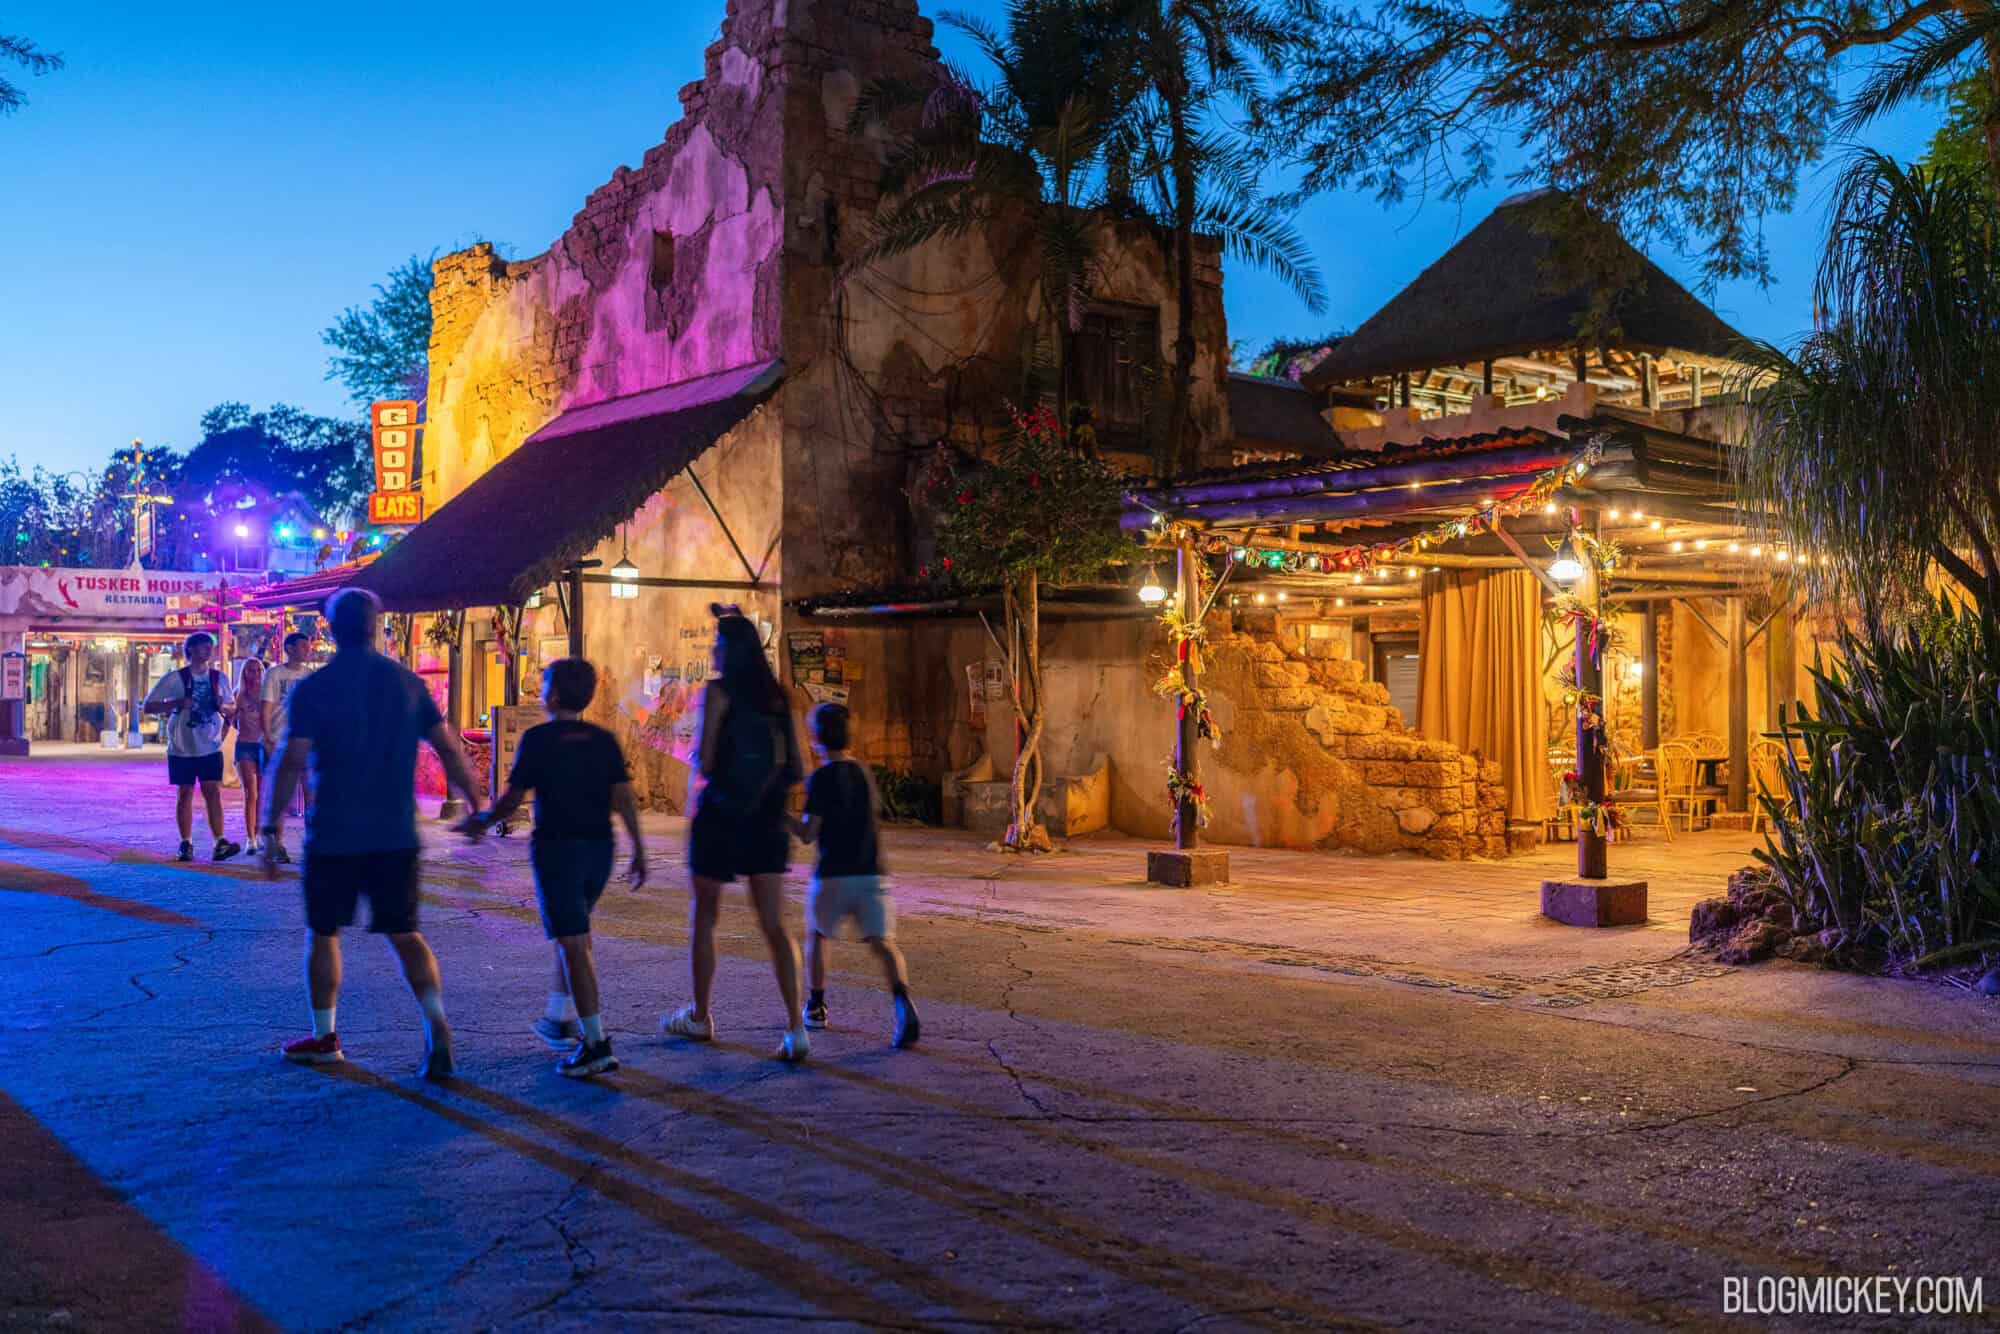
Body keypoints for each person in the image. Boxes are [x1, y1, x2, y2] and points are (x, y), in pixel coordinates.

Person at [260, 589, 484, 1079]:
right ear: (377, 626)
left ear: (332, 630)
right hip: (395, 833)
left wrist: (269, 827)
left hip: (334, 834)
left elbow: (291, 760)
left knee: (323, 933)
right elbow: (448, 750)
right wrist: (477, 804)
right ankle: (436, 1024)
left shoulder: (314, 689)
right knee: (406, 933)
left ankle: (325, 1035)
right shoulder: (407, 684)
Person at [464, 658, 647, 1078]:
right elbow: (623, 797)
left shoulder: (539, 739)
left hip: (558, 851)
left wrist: (481, 822)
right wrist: (638, 849)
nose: (539, 691)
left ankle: (596, 1044)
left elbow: (512, 800)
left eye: (544, 683)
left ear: (554, 694)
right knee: (574, 934)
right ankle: (561, 1015)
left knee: (572, 942)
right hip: (600, 850)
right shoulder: (603, 740)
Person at [661, 605, 810, 1061]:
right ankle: (795, 1027)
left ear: (733, 650)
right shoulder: (780, 698)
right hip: (766, 821)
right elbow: (799, 768)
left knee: (704, 919)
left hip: (720, 818)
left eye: (718, 645)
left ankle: (701, 1016)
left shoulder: (719, 693)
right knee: (775, 928)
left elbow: (705, 762)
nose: (713, 652)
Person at [791, 703, 919, 1048]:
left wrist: (779, 816)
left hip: (833, 874)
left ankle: (816, 1007)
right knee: (884, 944)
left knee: (817, 935)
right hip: (872, 874)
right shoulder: (864, 773)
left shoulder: (820, 779)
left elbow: (808, 834)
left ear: (817, 739)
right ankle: (903, 1003)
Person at [141, 632, 243, 864]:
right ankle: (185, 843)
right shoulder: (174, 678)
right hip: (181, 747)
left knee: (212, 793)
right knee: (184, 793)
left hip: (210, 745)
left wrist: (222, 705)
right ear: (191, 651)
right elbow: (148, 706)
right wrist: (177, 703)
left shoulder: (219, 678)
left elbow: (231, 708)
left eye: (209, 646)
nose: (208, 650)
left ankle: (220, 842)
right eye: (202, 647)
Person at [261, 631, 315, 863]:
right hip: (281, 739)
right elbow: (267, 706)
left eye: (308, 646)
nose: (307, 650)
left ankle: (313, 842)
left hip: (308, 740)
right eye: (303, 646)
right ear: (290, 648)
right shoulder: (274, 674)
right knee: (282, 794)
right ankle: (277, 844)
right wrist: (267, 736)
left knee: (311, 792)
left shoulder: (310, 676)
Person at [234, 657, 268, 856]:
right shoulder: (239, 695)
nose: (255, 674)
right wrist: (217, 741)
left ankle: (259, 833)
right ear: (244, 673)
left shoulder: (267, 696)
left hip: (264, 747)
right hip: (245, 746)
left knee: (262, 794)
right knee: (251, 793)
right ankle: (250, 838)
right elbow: (229, 720)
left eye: (258, 670)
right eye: (250, 671)